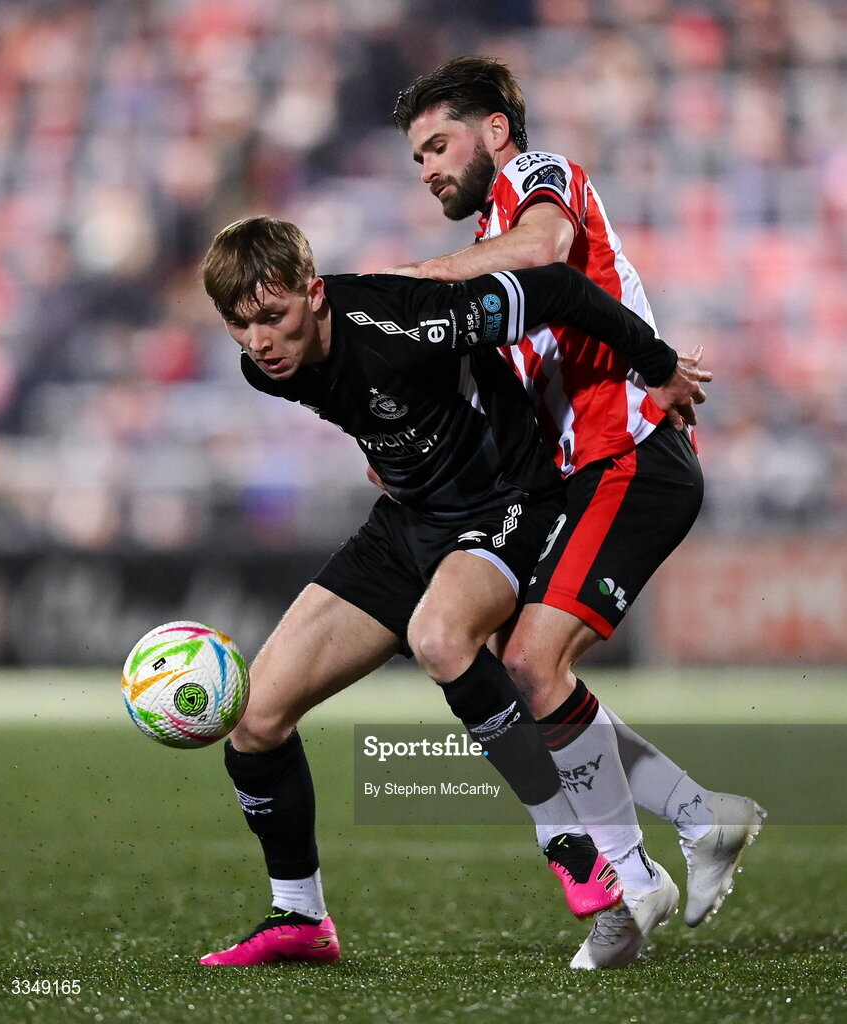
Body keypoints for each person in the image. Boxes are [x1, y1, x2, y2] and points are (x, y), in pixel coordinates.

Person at [195, 215, 706, 967]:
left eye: (274, 318)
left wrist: (656, 366)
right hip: (406, 525)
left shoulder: (407, 320)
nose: (260, 342)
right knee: (255, 721)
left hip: (507, 505)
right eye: (241, 326)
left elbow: (560, 288)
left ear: (315, 293)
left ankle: (564, 836)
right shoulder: (264, 368)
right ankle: (301, 918)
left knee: (443, 637)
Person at [390, 56, 765, 968]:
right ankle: (697, 817)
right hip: (585, 474)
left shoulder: (537, 178)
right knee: (523, 672)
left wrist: (423, 278)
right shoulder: (488, 234)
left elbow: (547, 249)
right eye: (417, 157)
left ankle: (633, 882)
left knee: (530, 659)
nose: (429, 167)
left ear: (495, 131)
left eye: (439, 144)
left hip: (630, 457)